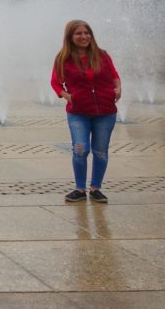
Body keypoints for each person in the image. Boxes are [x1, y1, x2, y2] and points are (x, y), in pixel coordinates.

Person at [51, 19, 122, 204]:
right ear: (70, 37)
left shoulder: (102, 55)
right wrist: (67, 95)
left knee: (100, 151)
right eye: (79, 33)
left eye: (86, 33)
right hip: (78, 112)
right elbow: (55, 82)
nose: (84, 37)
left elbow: (115, 75)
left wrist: (118, 88)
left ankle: (96, 188)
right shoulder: (63, 58)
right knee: (80, 149)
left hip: (105, 112)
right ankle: (80, 189)